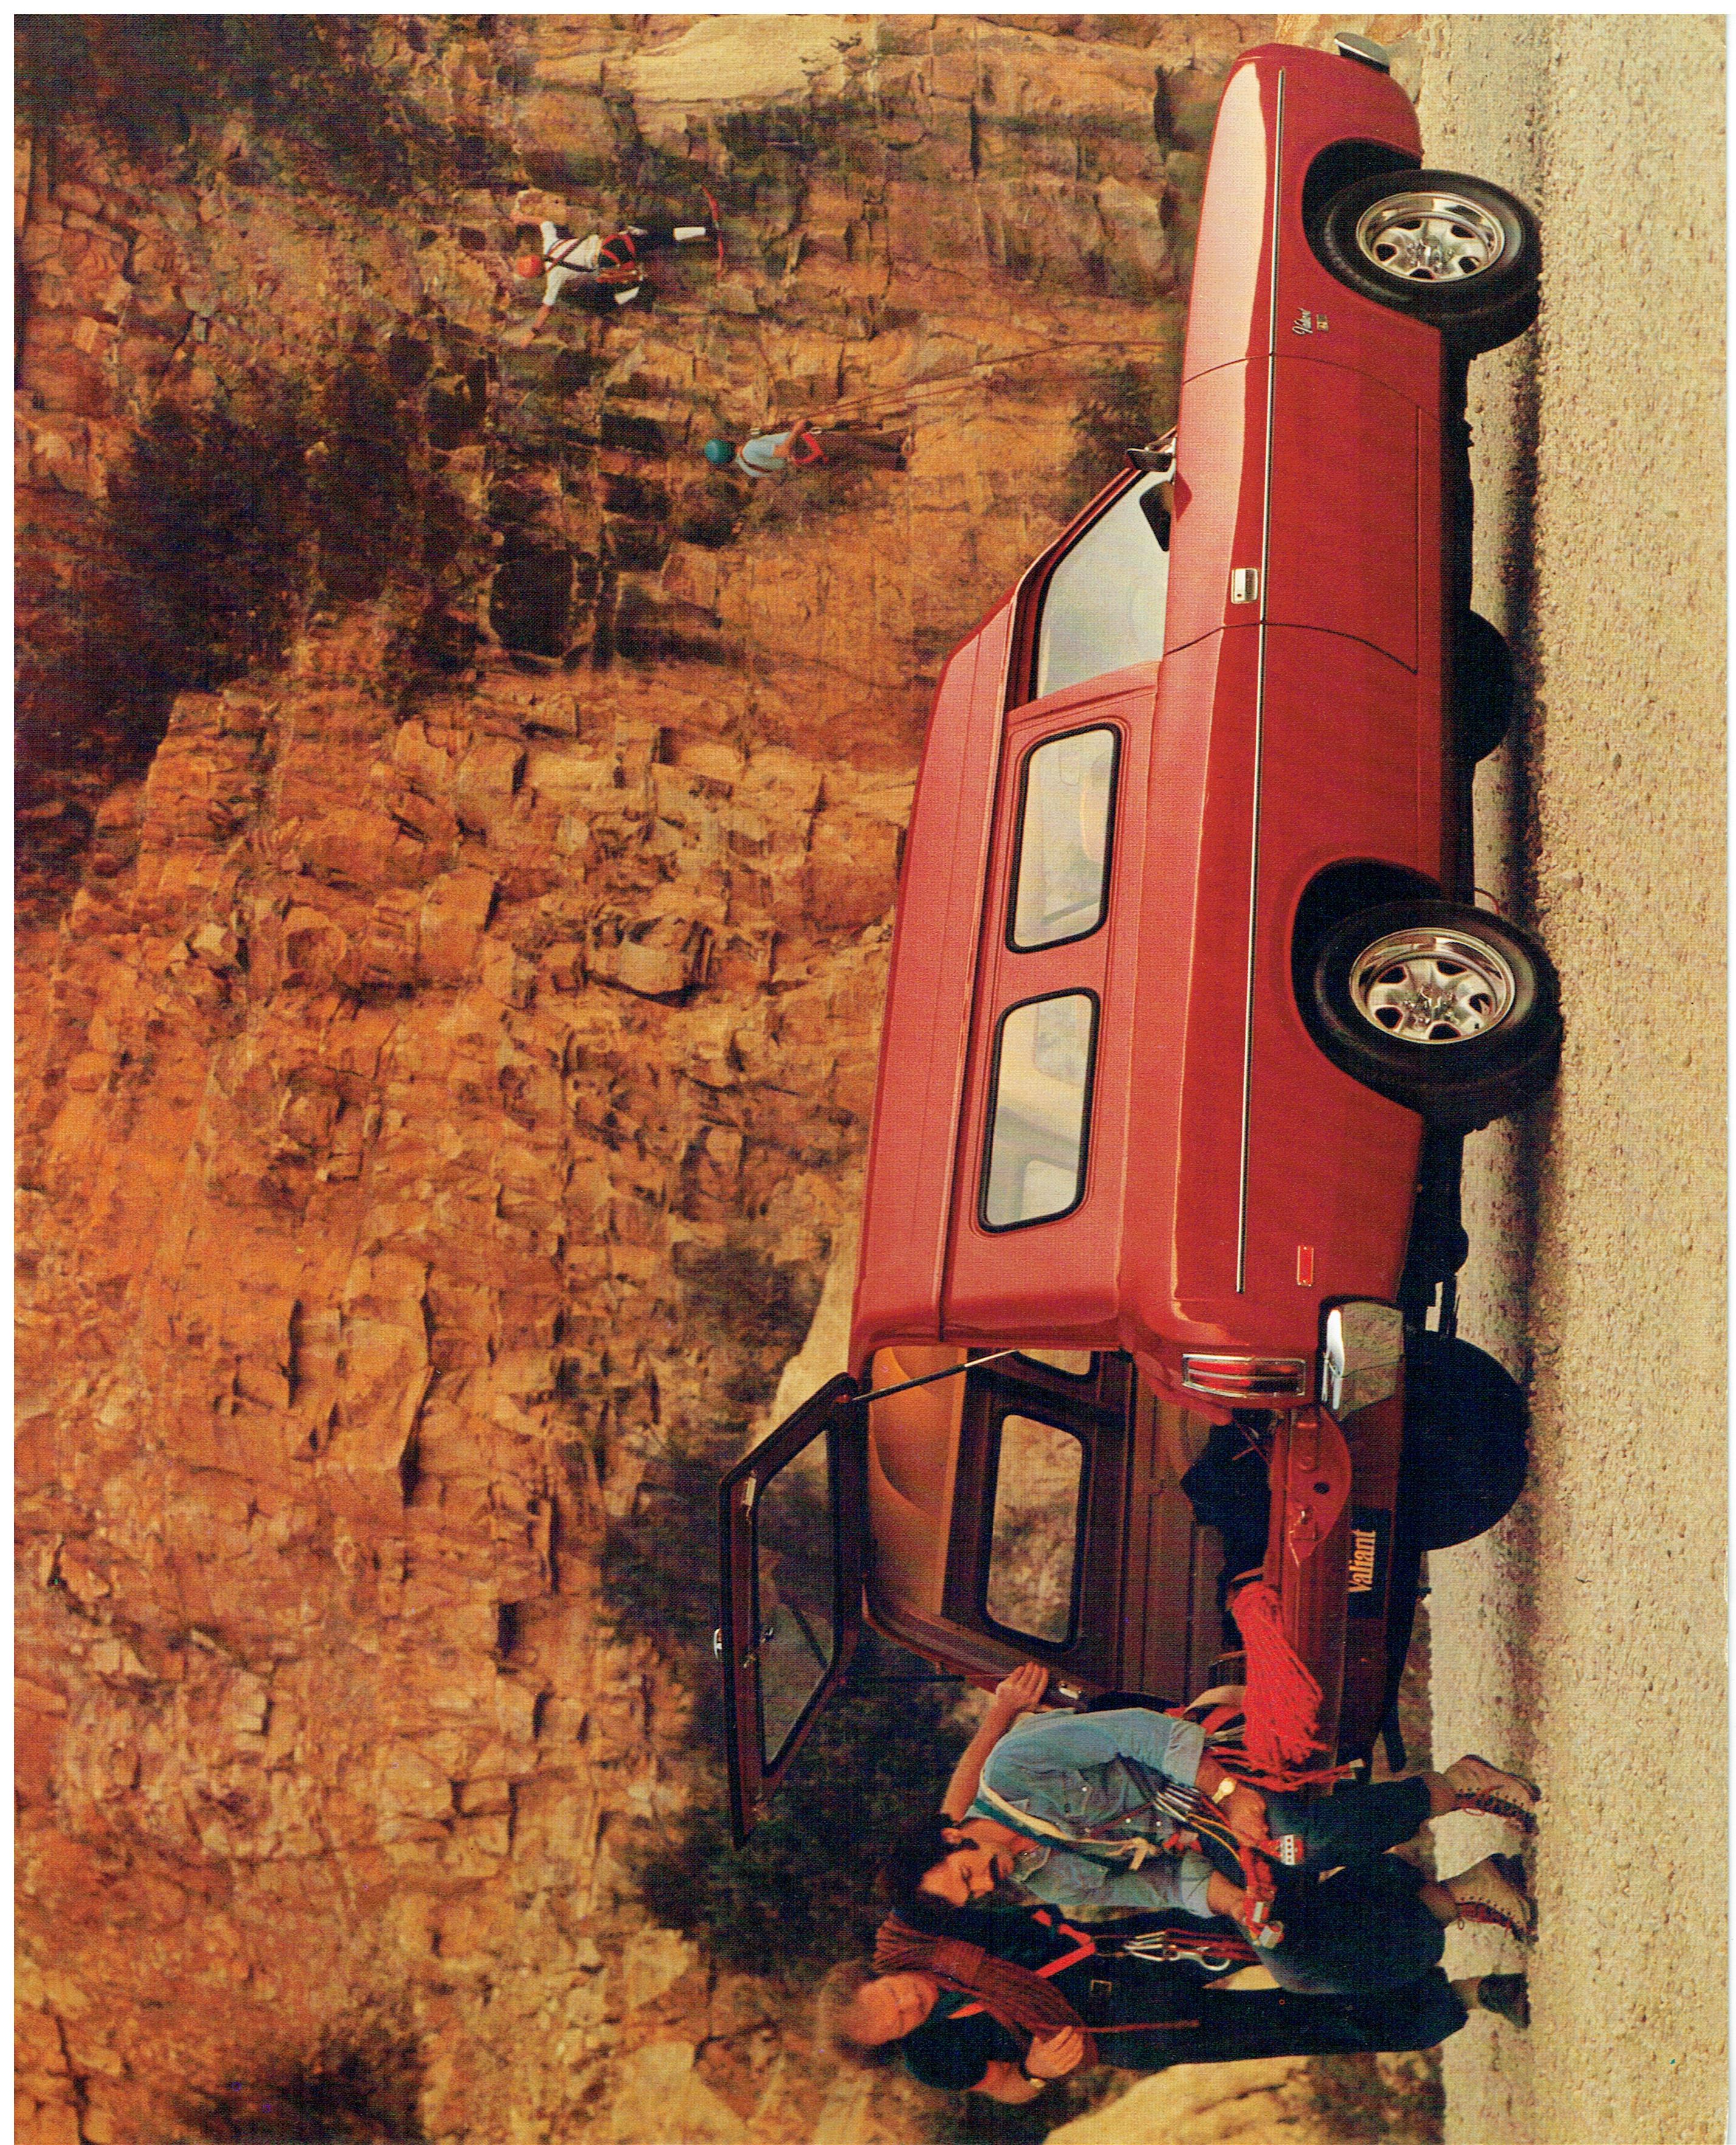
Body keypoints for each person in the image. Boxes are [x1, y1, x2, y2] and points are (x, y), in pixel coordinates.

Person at [886, 1675, 1537, 1998]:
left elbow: (1134, 1731)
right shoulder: (1037, 1882)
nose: (986, 1883)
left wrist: (1227, 1793)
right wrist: (1234, 1905)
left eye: (968, 1873)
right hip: (1211, 1850)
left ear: (953, 1835)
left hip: (1213, 1768)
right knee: (1292, 1964)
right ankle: (1456, 1895)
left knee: (1294, 1843)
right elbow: (1157, 1884)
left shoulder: (1012, 1767)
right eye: (973, 1896)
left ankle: (1454, 1787)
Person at [820, 1901, 1528, 2105]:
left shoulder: (931, 1937)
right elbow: (1010, 2092)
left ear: (873, 1974)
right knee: (1295, 2024)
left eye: (891, 1997)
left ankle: (1457, 1899)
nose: (909, 2005)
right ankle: (1466, 1996)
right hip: (1127, 2032)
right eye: (897, 2023)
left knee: (1284, 1936)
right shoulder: (933, 2057)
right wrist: (1036, 2069)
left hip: (1126, 1951)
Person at [509, 212, 718, 339]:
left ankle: (638, 288)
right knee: (659, 238)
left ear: (537, 276)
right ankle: (705, 230)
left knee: (601, 303)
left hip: (609, 262)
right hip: (612, 243)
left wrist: (532, 332)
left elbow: (547, 308)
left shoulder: (554, 277)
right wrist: (521, 218)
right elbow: (543, 222)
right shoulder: (551, 244)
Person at [702, 420, 908, 475]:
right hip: (803, 446)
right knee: (850, 446)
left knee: (849, 442)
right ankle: (896, 462)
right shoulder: (750, 448)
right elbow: (783, 451)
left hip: (803, 460)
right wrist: (796, 430)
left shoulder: (748, 469)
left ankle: (894, 441)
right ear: (727, 444)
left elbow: (779, 462)